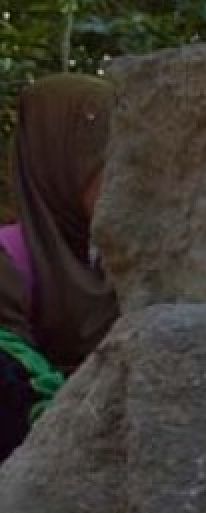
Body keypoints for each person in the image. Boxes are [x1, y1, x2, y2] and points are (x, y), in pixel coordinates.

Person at [0, 74, 117, 462]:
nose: (122, 183)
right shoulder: (8, 260)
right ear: (57, 164)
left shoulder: (116, 255)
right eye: (103, 165)